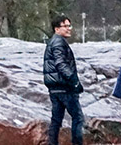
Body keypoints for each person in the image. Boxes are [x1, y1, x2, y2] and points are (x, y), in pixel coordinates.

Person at [43, 14, 83, 145]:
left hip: (54, 88)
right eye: (65, 26)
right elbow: (61, 64)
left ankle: (52, 143)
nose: (69, 28)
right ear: (56, 29)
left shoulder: (52, 42)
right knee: (77, 117)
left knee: (56, 120)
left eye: (69, 25)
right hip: (64, 87)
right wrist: (74, 80)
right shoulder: (59, 42)